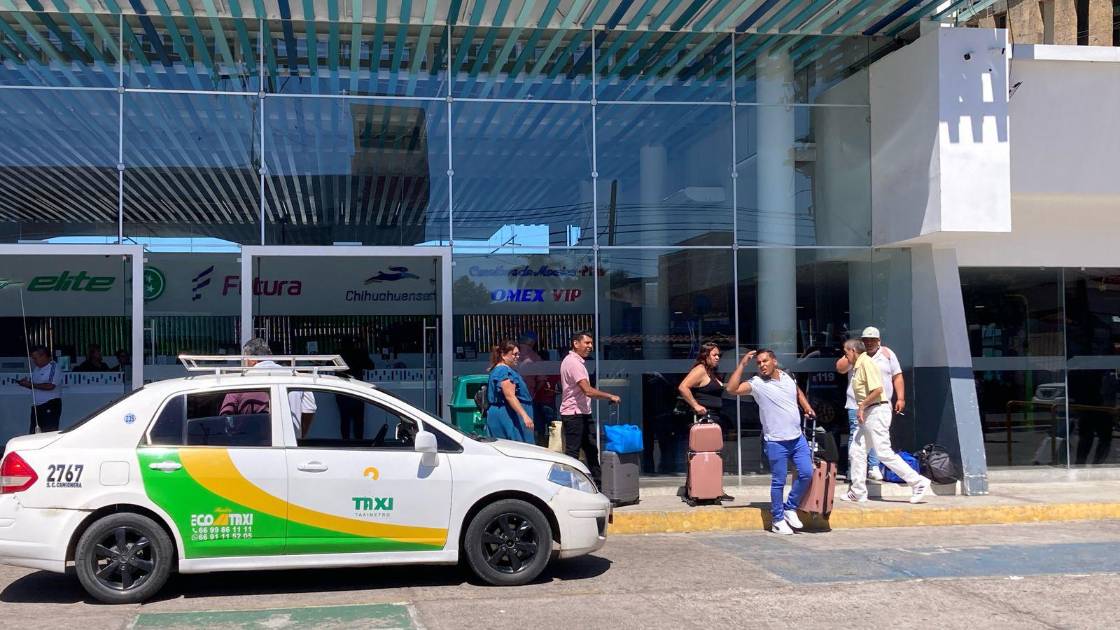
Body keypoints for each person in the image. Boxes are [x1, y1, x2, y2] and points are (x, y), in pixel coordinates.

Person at [726, 349, 817, 535]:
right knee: (779, 481)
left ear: (774, 361)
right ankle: (777, 519)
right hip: (776, 441)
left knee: (807, 473)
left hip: (797, 438)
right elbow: (731, 389)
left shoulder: (787, 376)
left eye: (765, 361)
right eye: (758, 363)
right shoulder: (757, 383)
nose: (762, 365)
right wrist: (742, 365)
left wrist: (807, 407)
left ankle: (790, 507)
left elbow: (797, 392)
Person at [840, 339, 932, 504]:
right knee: (857, 451)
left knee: (883, 452)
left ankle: (918, 482)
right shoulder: (859, 365)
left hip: (876, 411)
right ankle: (858, 491)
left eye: (846, 353)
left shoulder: (866, 364)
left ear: (853, 351)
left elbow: (877, 390)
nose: (845, 357)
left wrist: (861, 407)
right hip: (869, 412)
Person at [835, 326, 904, 481]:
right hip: (856, 404)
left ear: (879, 341)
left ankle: (873, 466)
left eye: (873, 340)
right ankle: (854, 470)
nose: (869, 343)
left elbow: (897, 376)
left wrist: (900, 398)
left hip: (879, 404)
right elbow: (840, 368)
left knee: (876, 437)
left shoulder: (887, 354)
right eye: (866, 340)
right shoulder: (856, 355)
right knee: (856, 437)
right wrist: (850, 355)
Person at [219, 338, 317, 439]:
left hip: (252, 444)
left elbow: (225, 418)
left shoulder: (242, 381)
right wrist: (298, 436)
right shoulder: (295, 376)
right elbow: (310, 408)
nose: (244, 364)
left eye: (245, 360)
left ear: (251, 359)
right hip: (291, 443)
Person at [560, 331, 620, 483]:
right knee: (573, 453)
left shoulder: (576, 362)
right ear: (576, 343)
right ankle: (569, 485)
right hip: (574, 414)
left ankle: (599, 484)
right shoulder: (573, 363)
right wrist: (610, 396)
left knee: (591, 449)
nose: (590, 346)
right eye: (587, 343)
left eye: (591, 343)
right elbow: (587, 390)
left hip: (582, 412)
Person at [484, 339, 535, 443]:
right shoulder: (503, 371)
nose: (517, 357)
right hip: (508, 416)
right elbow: (510, 396)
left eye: (518, 354)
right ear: (503, 355)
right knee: (517, 447)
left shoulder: (503, 370)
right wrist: (524, 416)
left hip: (506, 414)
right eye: (514, 354)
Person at [18, 345, 63, 433]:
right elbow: (35, 386)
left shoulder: (53, 367)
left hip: (49, 405)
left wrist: (31, 384)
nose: (34, 361)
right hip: (37, 406)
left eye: (35, 358)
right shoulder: (37, 369)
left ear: (43, 356)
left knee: (48, 433)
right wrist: (26, 384)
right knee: (34, 432)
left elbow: (50, 386)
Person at [337, 335, 376, 440]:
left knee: (345, 420)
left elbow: (329, 365)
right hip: (357, 389)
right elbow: (371, 366)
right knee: (358, 420)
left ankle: (346, 442)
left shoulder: (339, 354)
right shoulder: (359, 353)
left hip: (342, 390)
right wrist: (364, 351)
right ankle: (359, 443)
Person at [678, 342, 725, 420]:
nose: (717, 358)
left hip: (715, 416)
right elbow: (683, 387)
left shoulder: (711, 371)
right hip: (704, 418)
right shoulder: (700, 369)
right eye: (714, 355)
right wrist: (696, 405)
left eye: (718, 355)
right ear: (705, 355)